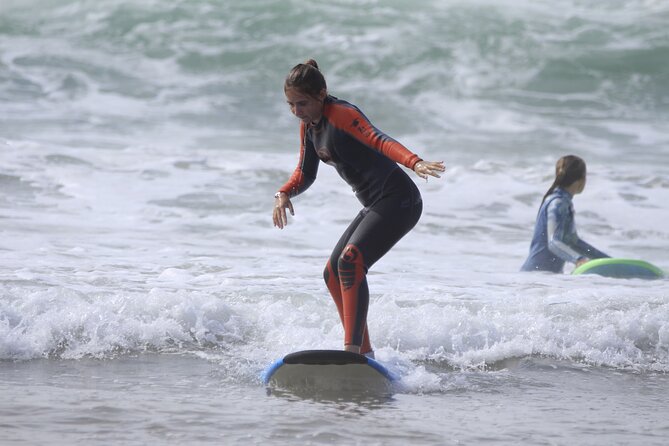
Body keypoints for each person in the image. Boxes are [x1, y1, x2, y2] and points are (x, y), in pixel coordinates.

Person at [272, 59, 445, 357]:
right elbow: (305, 173)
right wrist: (284, 193)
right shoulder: (309, 128)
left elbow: (378, 140)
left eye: (301, 104)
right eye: (291, 105)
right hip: (375, 203)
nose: (296, 112)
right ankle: (364, 351)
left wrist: (414, 161)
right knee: (332, 273)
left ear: (321, 94)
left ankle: (352, 352)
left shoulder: (341, 114)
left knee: (350, 261)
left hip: (399, 199)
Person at [521, 155, 609, 273]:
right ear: (581, 180)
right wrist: (579, 259)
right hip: (535, 278)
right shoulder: (557, 203)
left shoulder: (563, 202)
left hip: (545, 278)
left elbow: (574, 243)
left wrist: (606, 261)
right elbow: (553, 242)